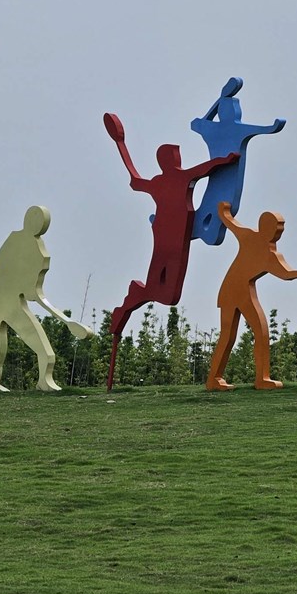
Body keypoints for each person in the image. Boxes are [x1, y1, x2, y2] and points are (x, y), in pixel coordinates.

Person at [104, 112, 238, 389]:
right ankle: (134, 297)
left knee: (168, 295)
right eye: (175, 156)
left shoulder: (168, 180)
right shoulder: (178, 178)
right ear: (168, 160)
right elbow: (207, 168)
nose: (178, 159)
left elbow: (135, 179)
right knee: (167, 295)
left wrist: (122, 146)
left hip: (173, 238)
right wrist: (226, 160)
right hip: (169, 240)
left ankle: (134, 297)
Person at [207, 201, 297, 390]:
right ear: (266, 227)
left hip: (242, 291)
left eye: (280, 229)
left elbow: (287, 274)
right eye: (277, 228)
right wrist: (223, 213)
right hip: (231, 290)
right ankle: (214, 379)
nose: (278, 232)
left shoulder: (270, 256)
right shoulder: (252, 239)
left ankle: (262, 379)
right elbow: (232, 224)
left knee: (260, 332)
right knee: (228, 336)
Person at [0, 205, 92, 392]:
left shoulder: (17, 242)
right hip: (2, 305)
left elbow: (32, 291)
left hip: (3, 304)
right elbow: (33, 293)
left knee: (43, 353)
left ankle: (41, 382)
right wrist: (64, 319)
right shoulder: (28, 249)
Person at [190, 77, 285, 245]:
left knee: (219, 206)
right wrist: (221, 99)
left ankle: (197, 229)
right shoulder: (231, 129)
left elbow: (198, 123)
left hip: (226, 179)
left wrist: (220, 100)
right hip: (221, 178)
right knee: (215, 205)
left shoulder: (213, 128)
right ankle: (193, 228)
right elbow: (196, 123)